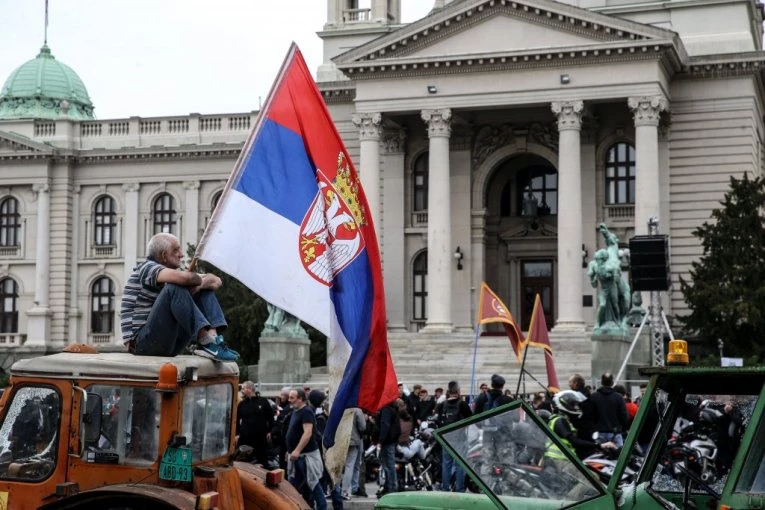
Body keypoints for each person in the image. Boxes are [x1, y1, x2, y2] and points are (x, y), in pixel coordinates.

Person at [120, 233, 238, 361]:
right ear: (164, 256)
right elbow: (186, 278)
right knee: (175, 287)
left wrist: (201, 285)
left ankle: (212, 341)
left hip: (167, 341)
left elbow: (216, 281)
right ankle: (205, 340)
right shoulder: (146, 268)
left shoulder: (169, 275)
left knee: (204, 287)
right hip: (141, 345)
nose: (181, 254)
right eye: (176, 250)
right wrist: (194, 281)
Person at [543, 390, 613, 499]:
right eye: (573, 404)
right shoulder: (559, 421)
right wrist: (599, 446)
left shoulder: (561, 420)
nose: (576, 407)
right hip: (559, 461)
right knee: (591, 478)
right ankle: (568, 502)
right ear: (563, 404)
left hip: (562, 460)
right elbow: (574, 441)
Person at [286, 389, 326, 510]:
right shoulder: (296, 411)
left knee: (314, 485)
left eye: (292, 398)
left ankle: (321, 507)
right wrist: (290, 450)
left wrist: (297, 450)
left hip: (305, 456)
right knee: (293, 485)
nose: (289, 400)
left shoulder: (306, 412)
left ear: (301, 399)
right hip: (297, 456)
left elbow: (307, 433)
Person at [434, 381, 472, 492]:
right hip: (460, 438)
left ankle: (445, 488)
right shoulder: (462, 404)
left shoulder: (442, 405)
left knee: (446, 464)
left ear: (449, 391)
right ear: (458, 391)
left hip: (446, 438)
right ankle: (459, 489)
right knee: (460, 465)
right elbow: (470, 418)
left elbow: (439, 421)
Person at [473, 374, 514, 476]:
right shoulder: (507, 400)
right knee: (505, 463)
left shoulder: (481, 398)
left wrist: (484, 427)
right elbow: (516, 418)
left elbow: (475, 417)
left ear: (491, 384)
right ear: (502, 386)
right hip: (503, 436)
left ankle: (486, 486)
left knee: (487, 461)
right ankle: (505, 488)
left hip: (487, 434)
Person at [236, 381, 274, 467]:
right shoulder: (242, 404)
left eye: (243, 388)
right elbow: (237, 420)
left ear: (249, 389)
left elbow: (270, 417)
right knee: (243, 459)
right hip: (245, 437)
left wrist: (270, 431)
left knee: (262, 459)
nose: (241, 390)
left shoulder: (263, 401)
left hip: (260, 437)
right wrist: (237, 434)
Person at [590, 372, 629, 448]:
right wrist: (621, 428)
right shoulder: (619, 397)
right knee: (619, 458)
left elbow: (590, 416)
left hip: (598, 433)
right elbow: (624, 417)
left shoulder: (594, 397)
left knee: (598, 457)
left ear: (601, 382)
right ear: (612, 382)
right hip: (615, 433)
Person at [376, 399, 401, 497]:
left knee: (388, 465)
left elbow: (385, 425)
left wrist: (380, 441)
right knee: (389, 465)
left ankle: (392, 488)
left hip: (387, 441)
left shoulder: (386, 409)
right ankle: (390, 486)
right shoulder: (392, 408)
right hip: (390, 440)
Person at [341, 408, 366, 500]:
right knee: (350, 466)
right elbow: (363, 427)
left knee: (340, 466)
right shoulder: (356, 410)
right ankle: (345, 491)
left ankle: (336, 489)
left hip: (340, 440)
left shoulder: (339, 407)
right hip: (353, 441)